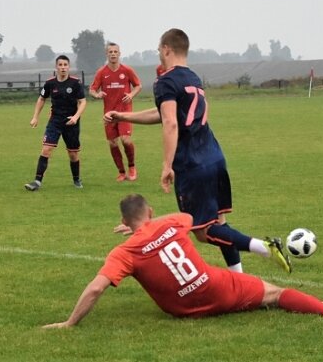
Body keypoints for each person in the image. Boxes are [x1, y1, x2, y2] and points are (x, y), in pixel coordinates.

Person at [103, 28, 291, 274]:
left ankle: (264, 247)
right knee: (220, 223)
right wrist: (123, 115)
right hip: (213, 155)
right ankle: (239, 278)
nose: (159, 53)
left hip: (192, 163)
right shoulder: (193, 78)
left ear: (167, 49)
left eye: (160, 48)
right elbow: (164, 114)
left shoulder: (165, 80)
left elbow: (170, 123)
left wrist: (167, 165)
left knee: (202, 231)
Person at [42, 194, 323, 328]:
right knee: (275, 294)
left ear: (125, 221)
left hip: (181, 310)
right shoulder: (172, 222)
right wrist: (151, 224)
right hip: (216, 288)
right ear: (150, 213)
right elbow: (188, 215)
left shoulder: (123, 252)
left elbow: (96, 289)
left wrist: (70, 323)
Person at [24, 54, 87, 191]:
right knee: (46, 149)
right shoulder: (50, 83)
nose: (63, 68)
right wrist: (35, 117)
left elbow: (82, 102)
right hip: (55, 121)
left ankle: (76, 179)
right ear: (56, 67)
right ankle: (37, 181)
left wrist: (75, 117)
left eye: (65, 65)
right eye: (60, 65)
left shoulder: (75, 83)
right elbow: (41, 99)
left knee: (73, 154)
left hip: (71, 122)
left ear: (69, 67)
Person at [89, 43, 142, 182]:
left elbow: (138, 85)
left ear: (119, 53)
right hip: (109, 114)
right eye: (110, 52)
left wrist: (131, 95)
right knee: (112, 143)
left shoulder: (127, 70)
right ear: (107, 54)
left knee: (125, 140)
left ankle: (131, 167)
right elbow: (92, 90)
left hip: (125, 112)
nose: (113, 54)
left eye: (115, 51)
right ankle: (121, 172)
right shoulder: (102, 72)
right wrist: (97, 95)